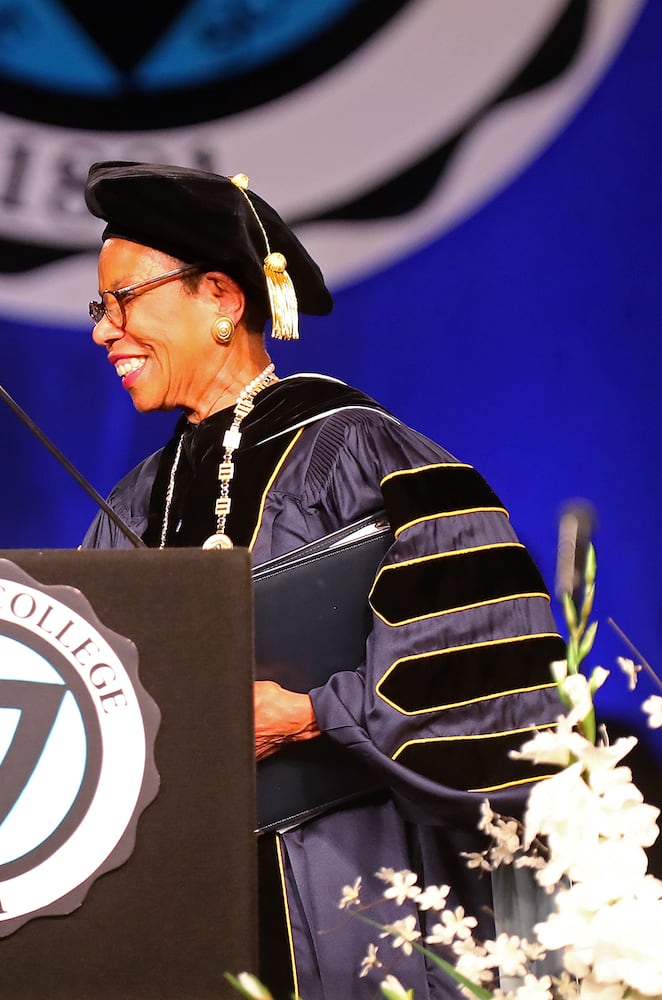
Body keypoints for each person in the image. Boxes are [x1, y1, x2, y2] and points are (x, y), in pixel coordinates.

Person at [79, 161, 564, 998]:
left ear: (224, 300)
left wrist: (310, 714)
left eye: (122, 301)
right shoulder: (133, 500)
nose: (103, 332)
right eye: (100, 308)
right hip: (178, 888)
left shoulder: (360, 454)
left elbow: (496, 668)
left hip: (349, 875)